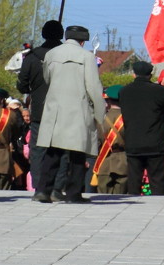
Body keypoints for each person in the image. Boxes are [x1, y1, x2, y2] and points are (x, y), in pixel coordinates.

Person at [32, 25, 106, 204]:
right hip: (78, 109)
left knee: (52, 152)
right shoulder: (87, 57)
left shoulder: (51, 54)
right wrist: (99, 113)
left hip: (54, 108)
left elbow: (47, 78)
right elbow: (94, 87)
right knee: (78, 154)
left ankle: (43, 191)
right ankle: (74, 194)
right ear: (83, 41)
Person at [119, 60, 164, 196]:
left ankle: (131, 207)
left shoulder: (124, 92)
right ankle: (157, 208)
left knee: (134, 180)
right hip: (155, 143)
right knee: (157, 181)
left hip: (133, 142)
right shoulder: (159, 91)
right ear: (150, 75)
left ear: (134, 75)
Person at [16, 20, 64, 186]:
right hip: (63, 110)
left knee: (38, 149)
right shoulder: (68, 56)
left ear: (43, 34)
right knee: (62, 149)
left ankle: (39, 185)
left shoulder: (32, 57)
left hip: (40, 109)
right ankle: (58, 186)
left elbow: (22, 85)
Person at [91, 86, 127, 195]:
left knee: (103, 198)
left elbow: (97, 140)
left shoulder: (101, 118)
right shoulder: (128, 117)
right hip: (123, 162)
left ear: (108, 100)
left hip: (104, 161)